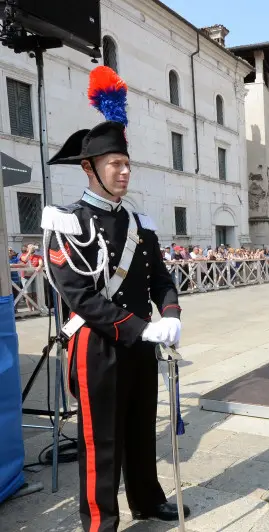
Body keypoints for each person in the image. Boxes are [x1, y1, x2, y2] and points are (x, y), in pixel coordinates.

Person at [41, 66, 188, 531]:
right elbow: (82, 296)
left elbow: (162, 278)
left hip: (142, 341)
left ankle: (146, 499)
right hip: (97, 346)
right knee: (100, 439)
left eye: (127, 164)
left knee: (142, 428)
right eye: (114, 166)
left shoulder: (141, 224)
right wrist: (142, 326)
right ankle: (101, 521)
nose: (124, 172)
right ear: (90, 169)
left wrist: (170, 314)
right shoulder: (67, 224)